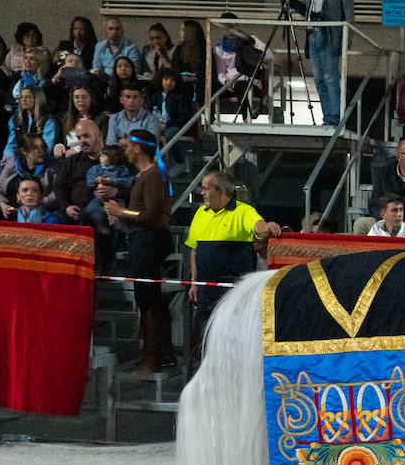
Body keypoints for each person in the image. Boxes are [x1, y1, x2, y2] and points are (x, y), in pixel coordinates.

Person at [185, 171, 282, 352]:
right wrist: (194, 282)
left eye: (206, 189)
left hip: (233, 290)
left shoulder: (243, 211)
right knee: (207, 335)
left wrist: (267, 227)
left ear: (221, 190)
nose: (202, 193)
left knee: (233, 336)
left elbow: (258, 226)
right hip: (206, 289)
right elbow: (194, 249)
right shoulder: (200, 213)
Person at [103, 130, 175, 371]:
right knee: (150, 298)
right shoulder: (146, 175)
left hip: (149, 240)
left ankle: (152, 357)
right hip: (144, 239)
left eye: (128, 146)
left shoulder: (152, 176)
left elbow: (152, 215)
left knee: (148, 298)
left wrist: (121, 212)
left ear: (136, 148)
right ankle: (161, 354)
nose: (124, 150)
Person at [289, 0, 354, 126]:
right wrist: (293, 3)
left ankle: (334, 117)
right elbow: (309, 12)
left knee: (330, 77)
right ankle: (327, 116)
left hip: (329, 35)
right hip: (312, 35)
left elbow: (349, 14)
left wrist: (346, 38)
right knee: (318, 79)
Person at [355, 139, 405, 236]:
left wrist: (404, 223)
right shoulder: (384, 172)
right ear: (399, 157)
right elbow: (374, 203)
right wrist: (385, 220)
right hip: (386, 219)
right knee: (361, 223)